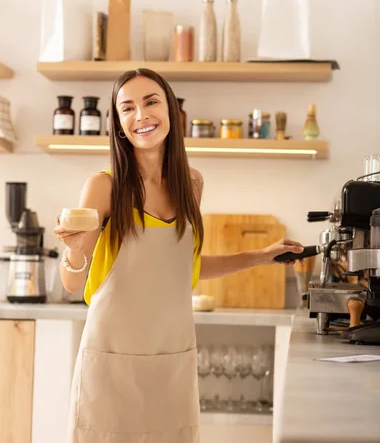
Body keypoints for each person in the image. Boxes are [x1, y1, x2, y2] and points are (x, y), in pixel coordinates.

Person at [54, 68, 304, 443]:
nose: (142, 115)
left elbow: (182, 266)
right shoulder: (104, 187)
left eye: (151, 102)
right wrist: (74, 251)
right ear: (119, 124)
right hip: (111, 358)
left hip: (172, 355)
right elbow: (74, 283)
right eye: (128, 108)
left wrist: (260, 255)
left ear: (171, 111)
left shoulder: (192, 183)